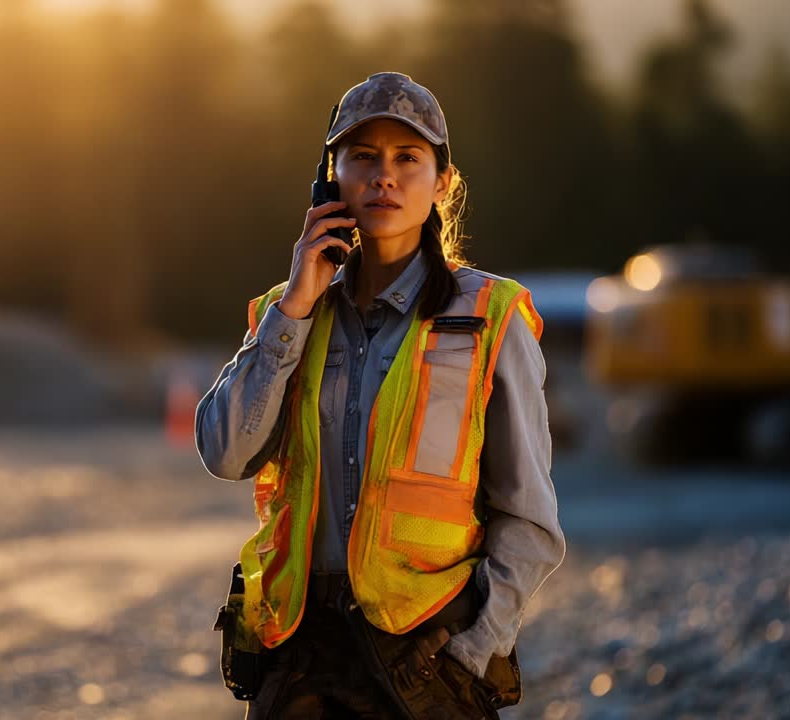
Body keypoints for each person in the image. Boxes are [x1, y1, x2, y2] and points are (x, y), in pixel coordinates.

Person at [196, 72, 565, 719]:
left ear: (442, 181)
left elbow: (530, 519)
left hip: (423, 668)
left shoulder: (489, 317)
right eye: (362, 157)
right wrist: (297, 303)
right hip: (300, 666)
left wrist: (477, 648)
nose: (383, 176)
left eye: (406, 158)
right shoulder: (287, 315)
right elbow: (226, 452)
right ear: (331, 178)